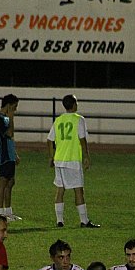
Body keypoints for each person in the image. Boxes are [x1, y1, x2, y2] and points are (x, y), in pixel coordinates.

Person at [47, 94, 99, 228]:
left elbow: (49, 140)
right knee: (78, 190)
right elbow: (82, 139)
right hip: (73, 160)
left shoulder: (58, 120)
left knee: (60, 189)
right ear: (74, 104)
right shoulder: (79, 119)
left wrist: (51, 156)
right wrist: (86, 156)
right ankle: (84, 221)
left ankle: (59, 221)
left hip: (59, 159)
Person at [0, 94, 22, 222]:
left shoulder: (5, 118)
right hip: (3, 156)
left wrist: (14, 153)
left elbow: (11, 138)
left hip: (9, 155)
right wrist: (11, 118)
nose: (15, 109)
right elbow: (10, 133)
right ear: (9, 106)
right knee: (3, 183)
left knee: (10, 183)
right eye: (14, 107)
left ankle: (8, 213)